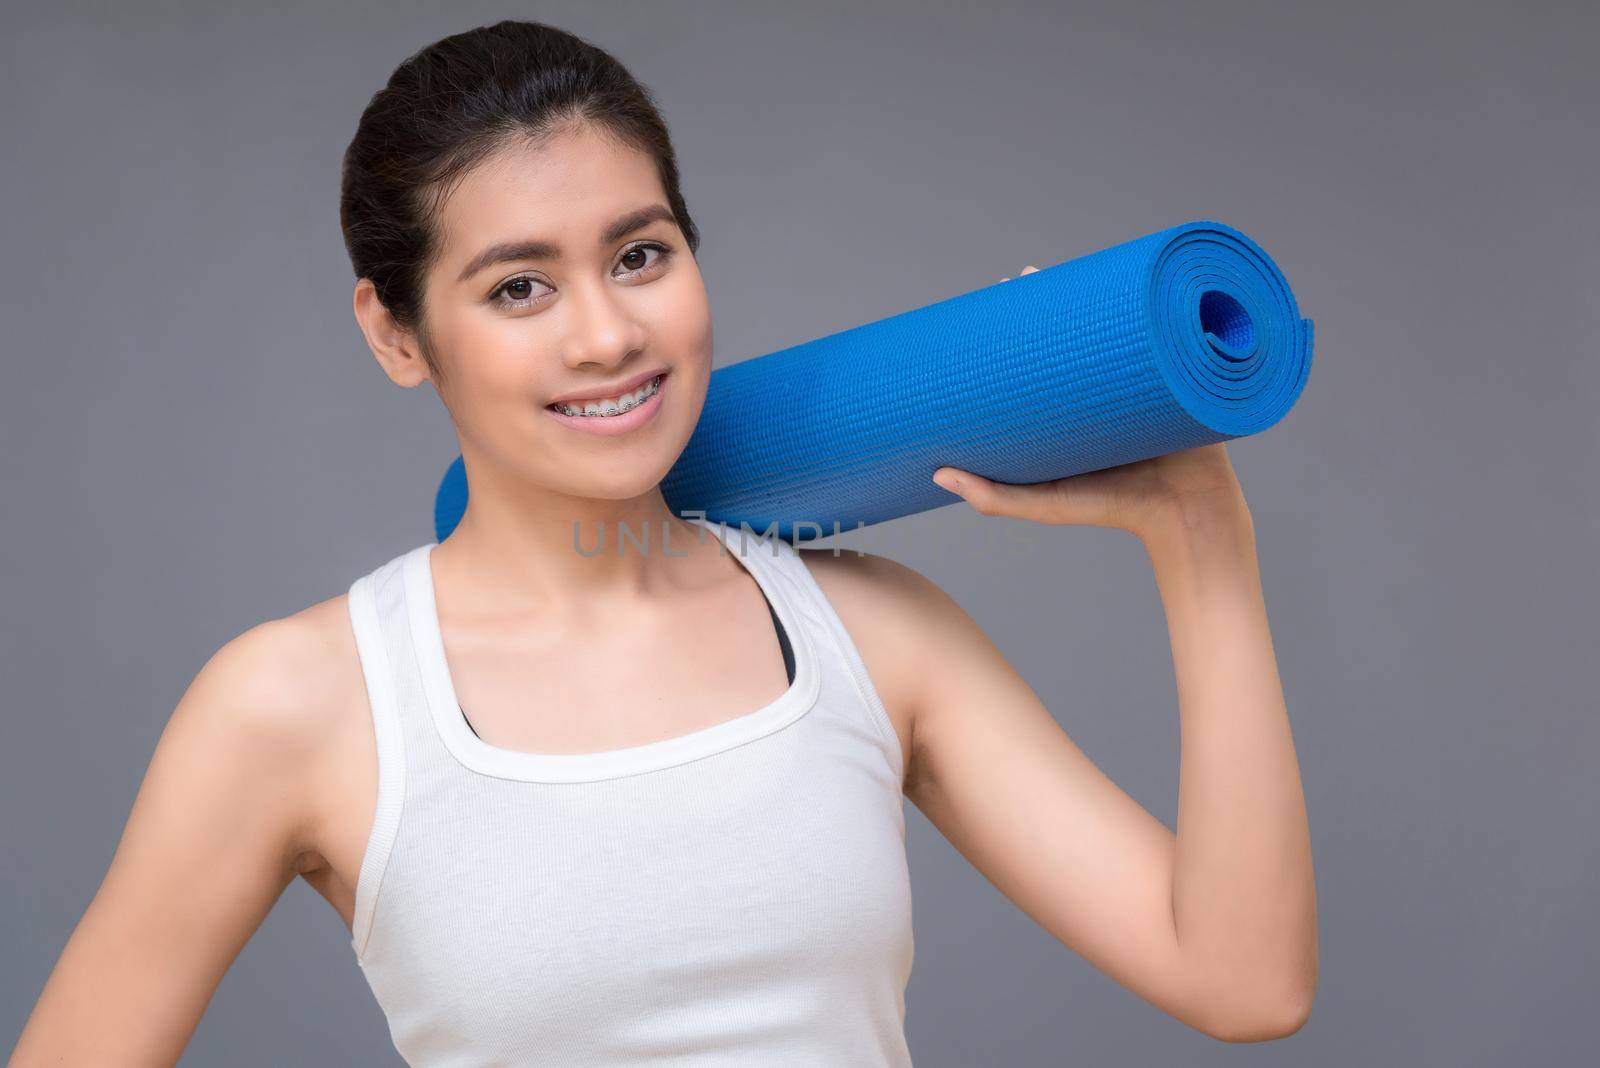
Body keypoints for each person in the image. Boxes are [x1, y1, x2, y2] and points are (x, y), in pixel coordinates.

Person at [8, 19, 1317, 1067]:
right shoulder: (298, 704)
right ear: (394, 332)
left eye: (639, 255)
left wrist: (1202, 538)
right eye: (519, 286)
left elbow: (1243, 981)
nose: (606, 336)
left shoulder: (870, 633)